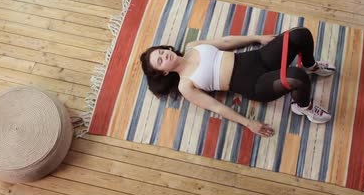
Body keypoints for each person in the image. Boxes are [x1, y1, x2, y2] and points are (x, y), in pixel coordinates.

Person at [139, 27, 336, 138]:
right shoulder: (185, 85)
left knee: (300, 34)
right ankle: (303, 107)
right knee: (296, 77)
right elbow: (216, 107)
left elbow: (225, 42)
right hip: (255, 84)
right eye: (160, 60)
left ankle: (310, 65)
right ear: (163, 72)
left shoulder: (192, 46)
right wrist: (248, 123)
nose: (165, 56)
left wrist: (257, 38)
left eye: (162, 52)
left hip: (257, 58)